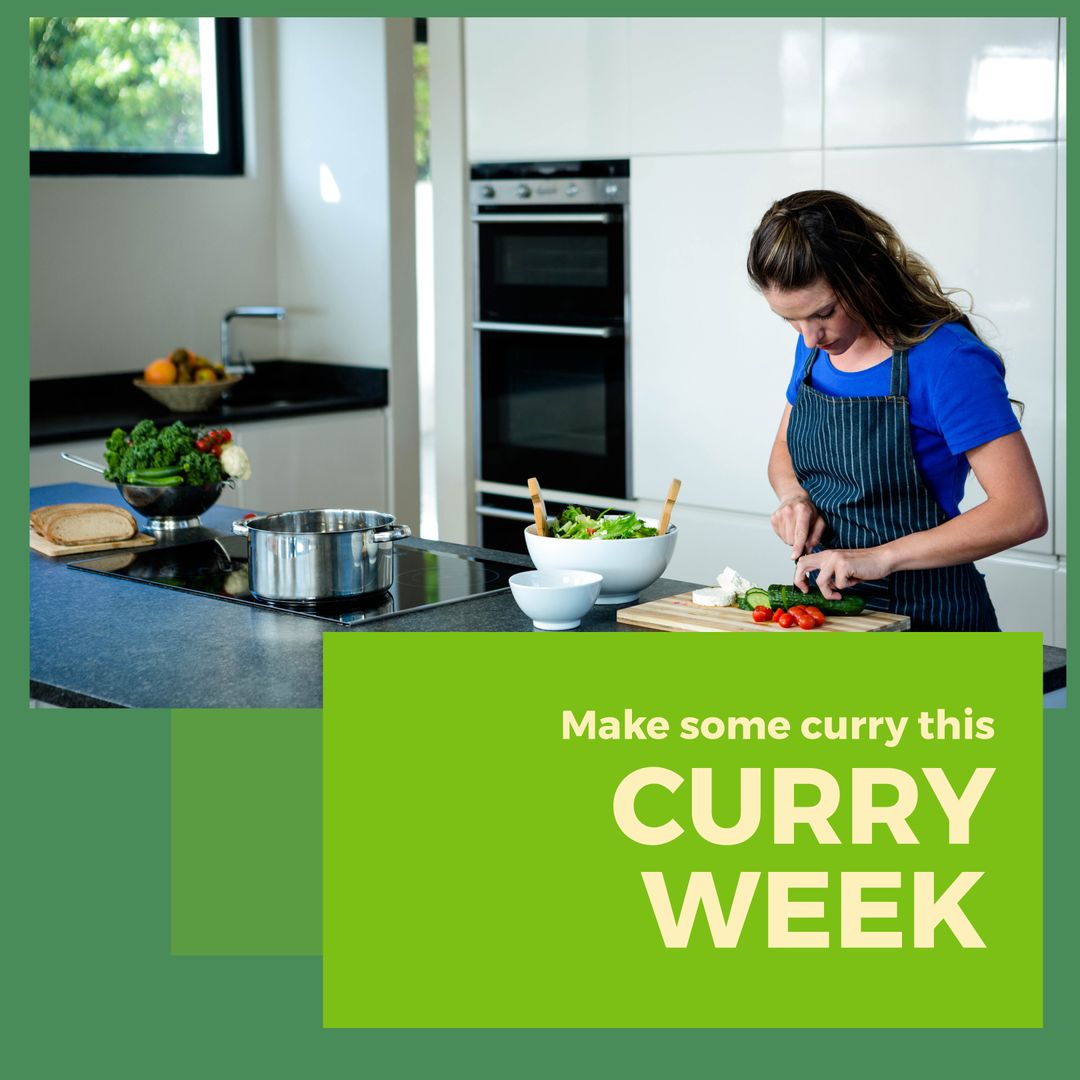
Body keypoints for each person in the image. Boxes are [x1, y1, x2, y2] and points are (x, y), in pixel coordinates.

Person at [746, 190, 1047, 631]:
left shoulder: (948, 360)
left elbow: (1022, 512)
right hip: (834, 616)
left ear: (867, 272)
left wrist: (880, 558)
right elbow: (783, 452)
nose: (809, 336)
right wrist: (794, 497)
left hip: (934, 619)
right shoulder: (814, 351)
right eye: (790, 319)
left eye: (824, 312)